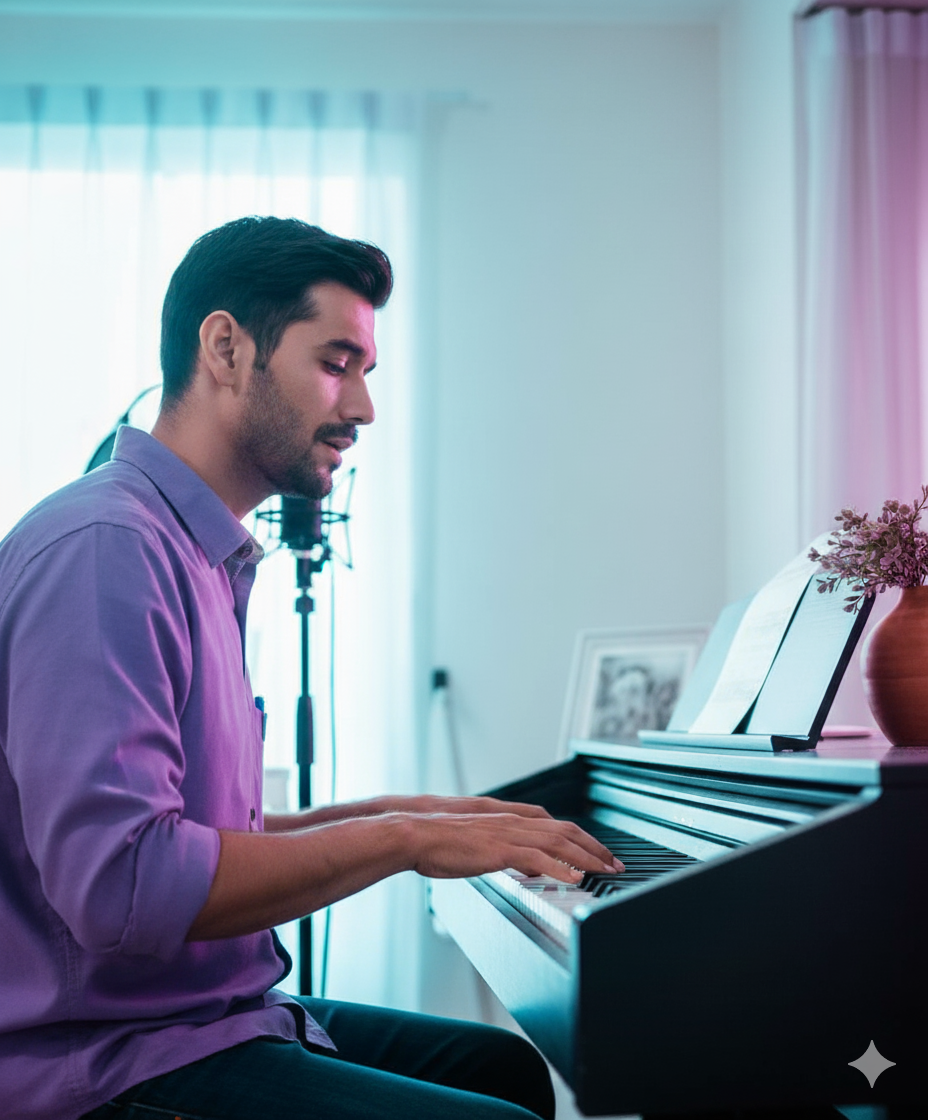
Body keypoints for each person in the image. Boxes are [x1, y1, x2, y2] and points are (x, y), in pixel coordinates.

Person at [0, 216, 623, 1120]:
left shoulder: (189, 549)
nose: (363, 408)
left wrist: (408, 812)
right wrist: (403, 843)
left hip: (198, 1019)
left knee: (503, 1071)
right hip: (99, 1060)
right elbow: (124, 884)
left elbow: (196, 828)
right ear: (225, 348)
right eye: (337, 363)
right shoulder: (107, 548)